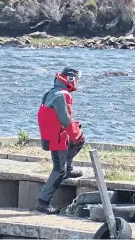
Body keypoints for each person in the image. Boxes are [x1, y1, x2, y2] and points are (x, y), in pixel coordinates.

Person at [36, 67, 85, 214]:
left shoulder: (51, 92)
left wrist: (76, 134)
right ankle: (43, 203)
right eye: (76, 79)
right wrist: (75, 135)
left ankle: (69, 169)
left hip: (54, 135)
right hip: (57, 138)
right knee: (59, 171)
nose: (77, 82)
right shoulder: (61, 95)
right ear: (69, 80)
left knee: (79, 138)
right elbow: (65, 120)